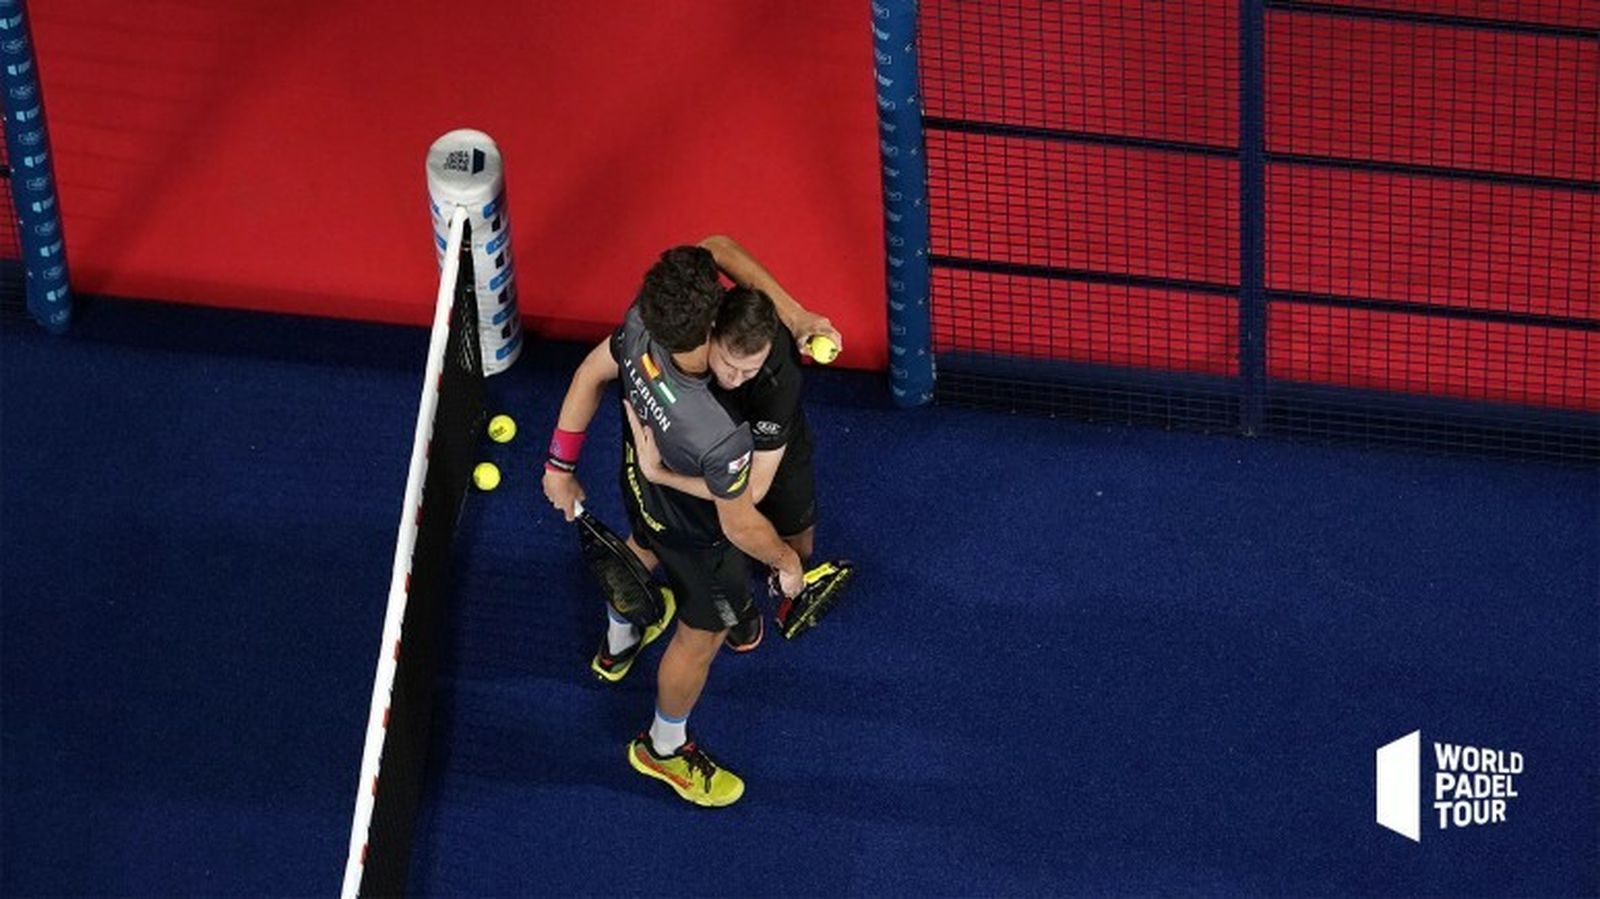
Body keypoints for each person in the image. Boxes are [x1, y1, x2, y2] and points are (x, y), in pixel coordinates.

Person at [541, 242, 825, 807]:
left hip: (639, 486)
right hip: (700, 532)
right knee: (701, 636)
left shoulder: (642, 322)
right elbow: (742, 522)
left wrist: (559, 464)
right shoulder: (717, 433)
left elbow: (589, 374)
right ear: (713, 322)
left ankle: (619, 645)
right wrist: (788, 564)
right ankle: (663, 748)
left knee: (640, 549)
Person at [628, 277, 828, 653]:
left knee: (797, 540)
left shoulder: (779, 381)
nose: (736, 379)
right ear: (711, 331)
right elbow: (715, 246)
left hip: (774, 446)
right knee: (708, 532)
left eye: (748, 371)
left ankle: (784, 588)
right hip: (709, 442)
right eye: (729, 365)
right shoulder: (688, 333)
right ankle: (736, 609)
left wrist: (787, 562)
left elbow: (750, 491)